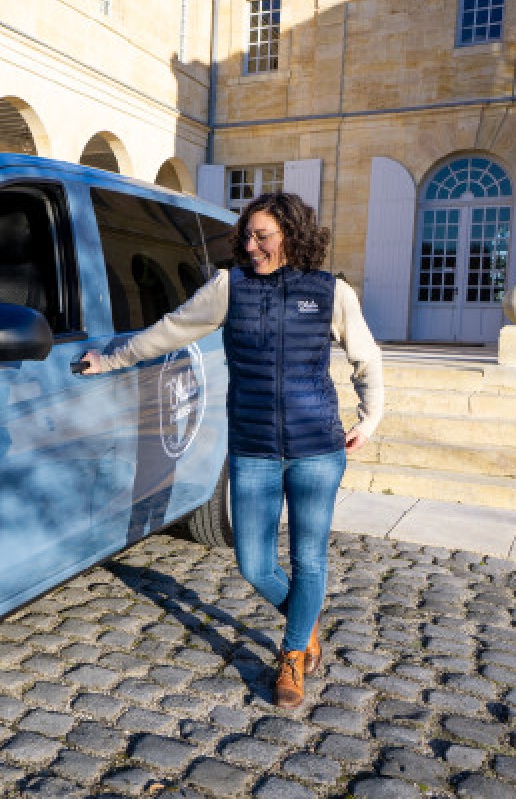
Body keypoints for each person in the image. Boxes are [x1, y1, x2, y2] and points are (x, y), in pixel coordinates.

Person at [78, 192, 383, 708]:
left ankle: (291, 657)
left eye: (262, 235)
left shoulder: (331, 292)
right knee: (253, 564)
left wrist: (370, 418)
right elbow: (172, 330)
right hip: (253, 447)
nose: (250, 244)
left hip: (316, 448)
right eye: (247, 235)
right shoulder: (228, 287)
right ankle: (305, 623)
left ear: (291, 234)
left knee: (309, 557)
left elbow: (366, 357)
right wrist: (112, 359)